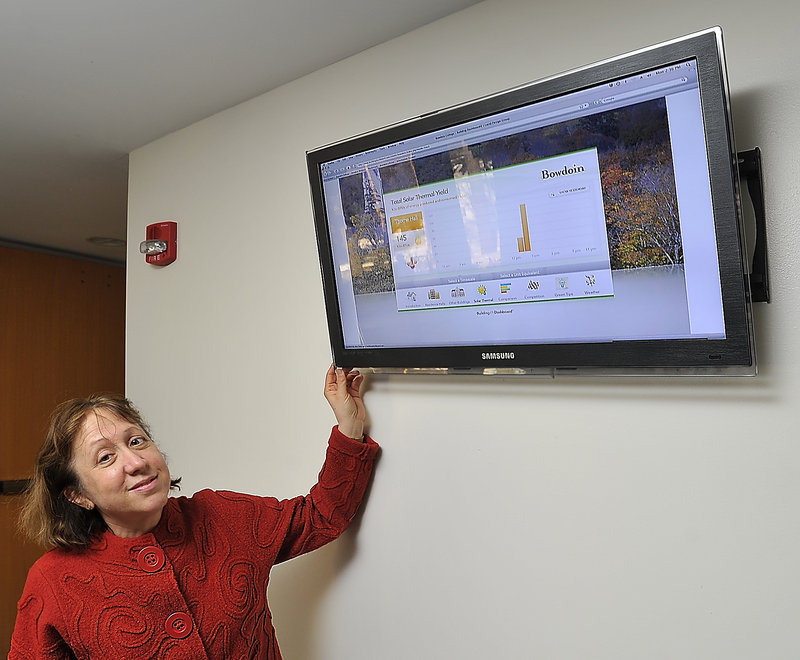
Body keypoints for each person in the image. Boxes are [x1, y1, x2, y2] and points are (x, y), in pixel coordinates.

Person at [9, 365, 378, 660]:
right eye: (106, 457)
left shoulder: (223, 516)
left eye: (137, 440)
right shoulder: (53, 581)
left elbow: (321, 516)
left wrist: (350, 427)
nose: (136, 461)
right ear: (78, 495)